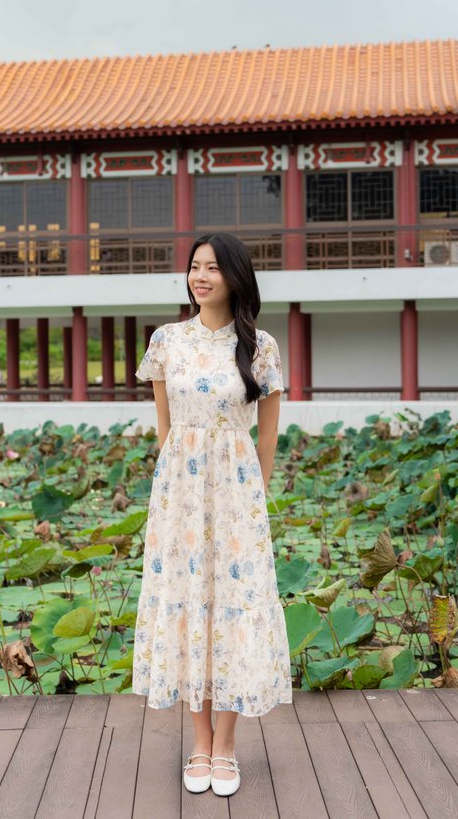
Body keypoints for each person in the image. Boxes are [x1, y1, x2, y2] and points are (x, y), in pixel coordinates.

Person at [133, 231, 292, 797]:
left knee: (232, 608)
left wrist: (254, 499)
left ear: (235, 277)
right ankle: (198, 742)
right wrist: (174, 493)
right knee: (189, 605)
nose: (200, 277)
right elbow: (166, 431)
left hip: (237, 496)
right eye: (194, 267)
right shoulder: (166, 342)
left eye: (212, 269)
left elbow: (268, 440)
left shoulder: (261, 347)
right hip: (180, 494)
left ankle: (225, 746)